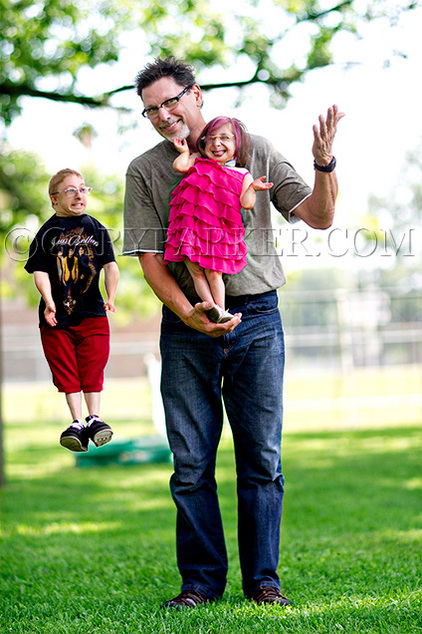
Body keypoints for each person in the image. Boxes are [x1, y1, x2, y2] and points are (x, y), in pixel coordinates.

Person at [123, 56, 344, 608]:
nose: (162, 115)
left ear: (196, 94)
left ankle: (263, 582)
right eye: (151, 109)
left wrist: (325, 163)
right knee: (191, 463)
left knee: (262, 459)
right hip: (187, 327)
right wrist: (187, 311)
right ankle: (199, 583)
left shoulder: (254, 147)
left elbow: (317, 217)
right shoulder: (146, 170)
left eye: (171, 101)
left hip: (259, 322)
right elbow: (150, 259)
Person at [25, 168, 119, 453]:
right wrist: (48, 299)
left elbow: (110, 267)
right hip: (58, 318)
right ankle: (77, 423)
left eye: (82, 189)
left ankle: (94, 418)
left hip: (92, 313)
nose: (79, 194)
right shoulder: (47, 232)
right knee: (66, 371)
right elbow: (39, 270)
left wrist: (111, 295)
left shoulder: (96, 228)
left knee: (93, 365)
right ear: (54, 200)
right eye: (70, 190)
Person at [164, 116, 273, 323]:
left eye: (224, 138)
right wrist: (185, 152)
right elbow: (180, 166)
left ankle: (221, 309)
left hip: (217, 233)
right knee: (195, 271)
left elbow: (246, 203)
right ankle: (213, 308)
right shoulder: (198, 160)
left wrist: (252, 189)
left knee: (214, 273)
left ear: (237, 143)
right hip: (190, 228)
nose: (217, 144)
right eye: (212, 138)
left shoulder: (242, 174)